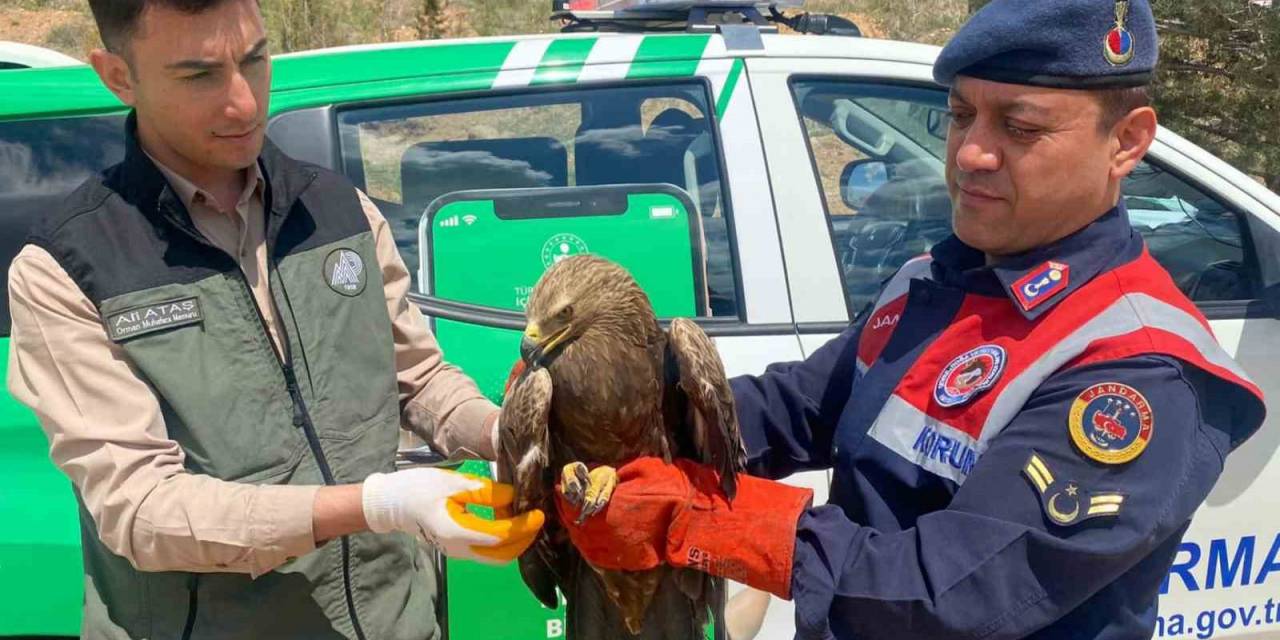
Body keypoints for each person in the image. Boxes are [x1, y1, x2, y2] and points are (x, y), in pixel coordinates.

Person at [554, 1, 1267, 638]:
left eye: (1020, 126)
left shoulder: (1137, 369)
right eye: (959, 116)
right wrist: (600, 429)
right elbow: (794, 409)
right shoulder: (934, 282)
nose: (971, 154)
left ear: (1128, 142)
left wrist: (698, 523)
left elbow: (945, 593)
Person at [5, 0, 542, 638]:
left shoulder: (341, 211)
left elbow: (419, 379)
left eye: (255, 60)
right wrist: (380, 505)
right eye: (198, 75)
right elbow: (141, 510)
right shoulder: (65, 268)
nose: (244, 103)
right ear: (117, 75)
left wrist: (514, 433)